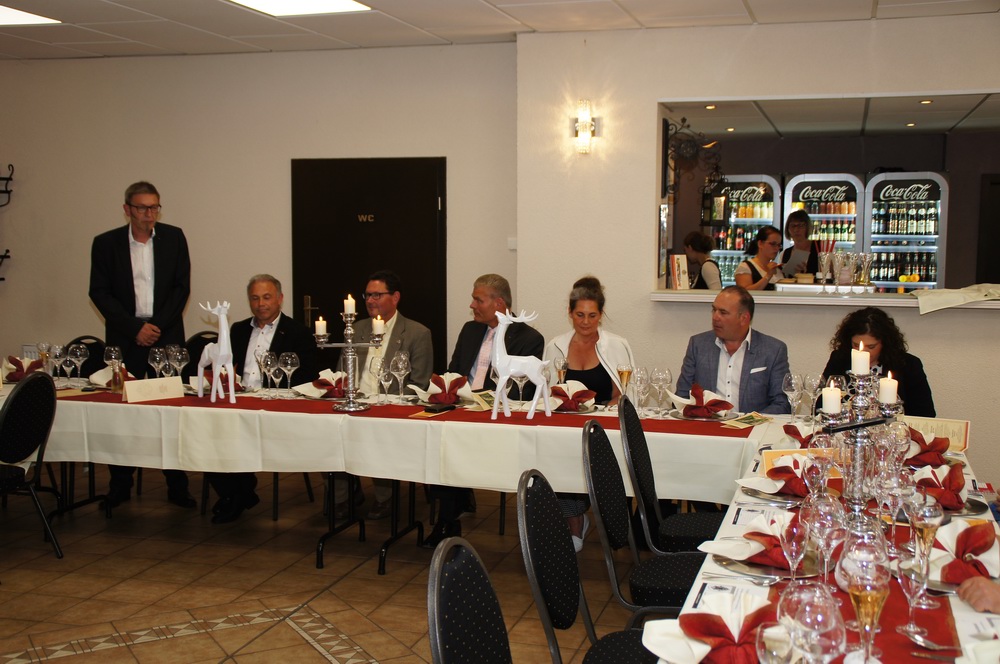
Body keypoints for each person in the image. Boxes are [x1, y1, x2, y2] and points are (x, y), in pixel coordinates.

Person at [89, 181, 196, 509]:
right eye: (142, 208)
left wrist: (156, 327)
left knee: (170, 411)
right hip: (126, 338)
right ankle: (120, 484)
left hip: (166, 336)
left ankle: (177, 484)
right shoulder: (106, 243)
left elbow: (181, 288)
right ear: (127, 209)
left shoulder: (174, 237)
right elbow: (99, 292)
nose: (149, 214)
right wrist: (135, 328)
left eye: (154, 207)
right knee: (123, 413)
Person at [421, 274, 544, 549]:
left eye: (478, 300)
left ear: (498, 303)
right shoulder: (470, 330)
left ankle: (451, 511)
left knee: (453, 441)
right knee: (437, 438)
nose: (472, 305)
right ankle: (449, 517)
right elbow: (454, 371)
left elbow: (520, 392)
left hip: (497, 415)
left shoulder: (529, 338)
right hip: (461, 409)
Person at [207, 274, 319, 523]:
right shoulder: (237, 330)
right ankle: (236, 492)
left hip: (275, 406)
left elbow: (308, 376)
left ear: (280, 299)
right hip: (238, 401)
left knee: (235, 434)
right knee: (206, 432)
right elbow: (224, 366)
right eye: (255, 298)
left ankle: (238, 494)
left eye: (267, 297)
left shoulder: (298, 332)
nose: (261, 304)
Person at [543, 276, 634, 550]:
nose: (585, 321)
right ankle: (574, 521)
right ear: (570, 313)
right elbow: (548, 391)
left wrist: (602, 414)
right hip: (567, 425)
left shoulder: (617, 345)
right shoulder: (555, 346)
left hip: (604, 425)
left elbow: (624, 394)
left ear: (601, 315)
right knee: (557, 454)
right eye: (579, 315)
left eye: (592, 315)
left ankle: (615, 525)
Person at [342, 269, 433, 520]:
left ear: (395, 297)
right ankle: (342, 497)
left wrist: (388, 402)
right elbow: (342, 373)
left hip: (393, 408)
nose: (370, 301)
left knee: (380, 431)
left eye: (377, 295)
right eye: (367, 295)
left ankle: (385, 498)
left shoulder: (416, 333)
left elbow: (420, 383)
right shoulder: (356, 330)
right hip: (356, 402)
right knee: (328, 429)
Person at [676, 285, 791, 414]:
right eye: (714, 310)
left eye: (723, 312)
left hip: (754, 424)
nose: (715, 317)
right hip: (708, 423)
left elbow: (782, 403)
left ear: (744, 318)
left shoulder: (773, 350)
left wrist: (750, 421)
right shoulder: (698, 345)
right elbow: (682, 396)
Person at [821, 306, 936, 417]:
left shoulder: (908, 364)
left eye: (871, 347)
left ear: (884, 343)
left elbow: (925, 413)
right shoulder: (839, 359)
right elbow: (821, 404)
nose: (863, 352)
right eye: (856, 345)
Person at [734, 225, 783, 291]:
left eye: (779, 245)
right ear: (760, 244)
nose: (777, 248)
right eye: (773, 244)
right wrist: (768, 275)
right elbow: (745, 293)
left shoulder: (778, 269)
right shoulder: (746, 267)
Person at [780, 209, 819, 278]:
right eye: (793, 226)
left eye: (801, 225)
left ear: (808, 227)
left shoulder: (821, 248)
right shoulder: (784, 254)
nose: (796, 230)